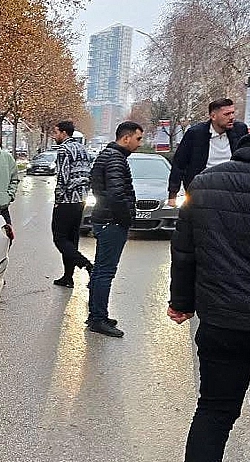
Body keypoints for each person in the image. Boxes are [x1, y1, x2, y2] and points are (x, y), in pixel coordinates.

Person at [169, 93, 250, 462]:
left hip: (222, 322)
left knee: (214, 412)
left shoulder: (207, 184)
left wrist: (181, 302)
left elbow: (185, 251)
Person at [86, 121, 143, 338]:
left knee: (101, 270)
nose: (140, 143)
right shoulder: (115, 158)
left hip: (105, 219)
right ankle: (98, 319)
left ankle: (96, 315)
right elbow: (117, 195)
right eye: (138, 139)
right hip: (111, 222)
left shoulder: (108, 155)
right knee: (105, 272)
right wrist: (126, 219)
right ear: (126, 138)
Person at [168, 98, 248, 206]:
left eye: (233, 113)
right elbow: (179, 163)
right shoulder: (195, 134)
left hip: (231, 190)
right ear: (213, 116)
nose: (232, 117)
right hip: (202, 191)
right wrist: (172, 195)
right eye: (227, 114)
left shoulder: (240, 130)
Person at [50, 120, 93, 288]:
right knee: (71, 238)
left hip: (67, 200)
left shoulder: (64, 151)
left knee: (59, 238)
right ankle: (68, 277)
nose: (54, 136)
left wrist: (57, 200)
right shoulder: (83, 150)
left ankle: (87, 265)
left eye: (56, 133)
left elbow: (62, 177)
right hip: (80, 200)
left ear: (64, 133)